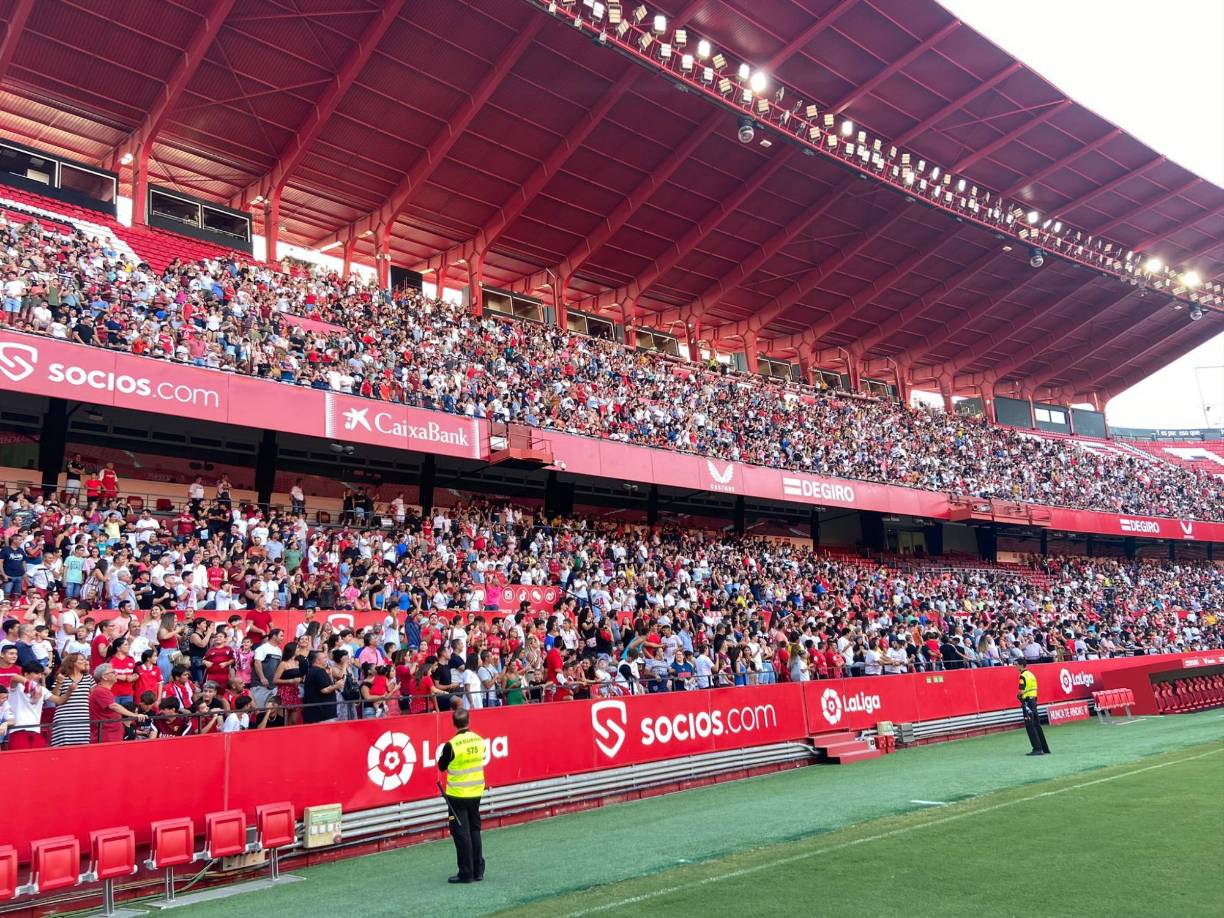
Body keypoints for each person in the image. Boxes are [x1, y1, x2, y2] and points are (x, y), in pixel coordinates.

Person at [436, 704, 487, 884]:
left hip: (457, 794)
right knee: (475, 829)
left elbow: (441, 766)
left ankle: (466, 872)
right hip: (476, 792)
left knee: (460, 833)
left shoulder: (451, 745)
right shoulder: (479, 740)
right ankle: (478, 870)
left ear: (454, 723)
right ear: (469, 721)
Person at [1017, 659, 1050, 756]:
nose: (1015, 666)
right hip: (1034, 700)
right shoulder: (1031, 674)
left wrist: (1018, 695)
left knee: (1030, 725)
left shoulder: (1022, 676)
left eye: (1016, 664)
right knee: (1037, 724)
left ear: (1021, 665)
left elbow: (1021, 691)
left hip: (1027, 702)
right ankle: (1044, 748)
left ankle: (1037, 748)